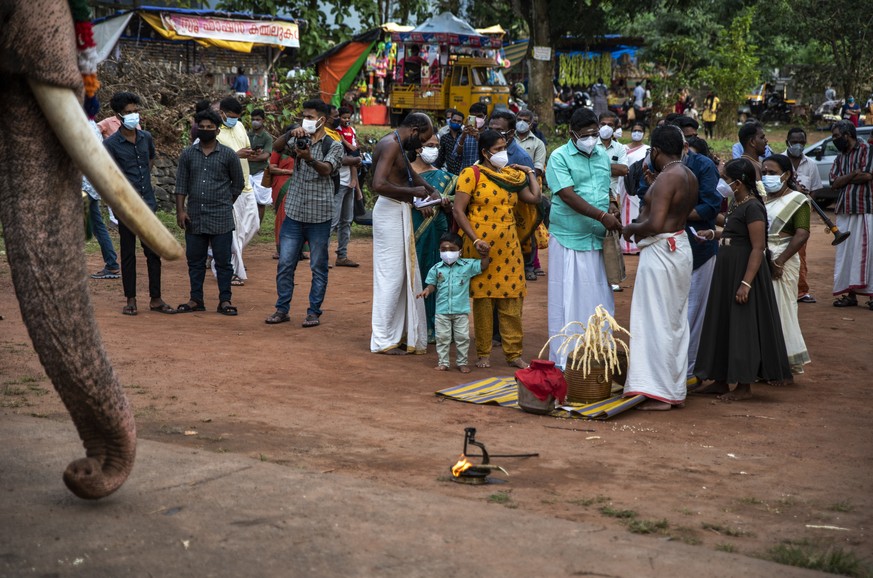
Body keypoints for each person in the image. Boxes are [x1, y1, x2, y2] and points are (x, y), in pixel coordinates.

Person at [692, 158, 793, 400]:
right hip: (727, 270)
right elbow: (733, 234)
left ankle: (744, 386)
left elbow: (757, 247)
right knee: (723, 322)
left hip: (742, 272)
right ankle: (720, 380)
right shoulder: (737, 204)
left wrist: (746, 283)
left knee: (742, 327)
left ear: (737, 183)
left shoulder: (753, 207)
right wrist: (713, 234)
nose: (721, 183)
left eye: (725, 178)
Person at [622, 125, 697, 410]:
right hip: (677, 246)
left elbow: (654, 223)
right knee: (672, 320)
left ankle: (658, 390)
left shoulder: (669, 178)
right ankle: (671, 388)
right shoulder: (686, 174)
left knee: (655, 321)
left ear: (655, 151)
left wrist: (630, 227)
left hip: (663, 250)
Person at [453, 129, 542, 369]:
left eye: (505, 148)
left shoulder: (511, 176)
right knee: (483, 301)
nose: (503, 153)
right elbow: (458, 210)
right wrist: (474, 240)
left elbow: (534, 197)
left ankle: (514, 354)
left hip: (510, 247)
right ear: (484, 152)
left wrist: (530, 173)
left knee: (513, 299)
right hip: (481, 248)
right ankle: (483, 353)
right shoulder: (471, 174)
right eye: (498, 149)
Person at [543, 109, 618, 367]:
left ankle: (598, 356)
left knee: (599, 298)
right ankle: (566, 359)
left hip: (597, 239)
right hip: (569, 237)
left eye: (595, 134)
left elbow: (605, 187)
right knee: (568, 300)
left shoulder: (601, 156)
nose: (591, 139)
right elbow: (566, 194)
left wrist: (612, 206)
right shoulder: (558, 157)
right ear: (571, 134)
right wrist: (601, 215)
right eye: (585, 135)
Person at [264, 100, 344, 328]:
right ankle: (282, 309)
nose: (306, 120)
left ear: (322, 120)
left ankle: (313, 312)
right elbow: (277, 148)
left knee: (318, 266)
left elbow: (328, 169)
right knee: (285, 264)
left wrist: (309, 158)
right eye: (304, 116)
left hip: (320, 215)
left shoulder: (334, 145)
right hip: (295, 212)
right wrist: (291, 131)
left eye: (310, 116)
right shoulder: (298, 138)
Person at [369, 113, 440, 354]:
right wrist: (415, 193)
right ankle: (382, 338)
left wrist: (432, 191)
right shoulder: (390, 144)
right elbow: (377, 184)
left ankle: (395, 334)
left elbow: (409, 174)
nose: (421, 145)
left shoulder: (397, 144)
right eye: (423, 138)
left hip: (397, 208)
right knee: (390, 276)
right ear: (415, 129)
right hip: (388, 209)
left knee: (401, 275)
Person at [103, 91, 174, 316]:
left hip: (148, 204)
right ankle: (131, 299)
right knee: (128, 253)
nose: (134, 116)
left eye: (136, 111)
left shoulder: (146, 138)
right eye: (129, 113)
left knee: (153, 252)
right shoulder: (112, 144)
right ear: (118, 116)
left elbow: (150, 159)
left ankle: (156, 298)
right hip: (126, 207)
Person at [175, 109, 245, 316]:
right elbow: (181, 185)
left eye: (209, 127)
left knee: (223, 261)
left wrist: (225, 203)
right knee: (195, 261)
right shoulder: (188, 154)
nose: (205, 130)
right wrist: (180, 211)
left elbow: (238, 184)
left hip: (221, 217)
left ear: (217, 129)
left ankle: (225, 300)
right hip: (194, 217)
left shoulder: (228, 155)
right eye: (202, 127)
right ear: (196, 128)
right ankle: (196, 299)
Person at [761, 155, 811, 375]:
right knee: (765, 311)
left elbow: (802, 234)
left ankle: (783, 365)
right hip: (762, 256)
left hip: (783, 259)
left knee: (783, 310)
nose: (767, 177)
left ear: (786, 175)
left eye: (772, 173)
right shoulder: (761, 198)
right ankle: (766, 361)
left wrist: (779, 261)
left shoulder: (798, 200)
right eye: (764, 172)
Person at [417, 231, 491, 373]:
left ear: (460, 251)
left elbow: (483, 266)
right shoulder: (436, 269)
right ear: (439, 251)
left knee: (462, 337)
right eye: (444, 250)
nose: (448, 252)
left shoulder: (467, 266)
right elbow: (432, 284)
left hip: (461, 310)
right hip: (442, 311)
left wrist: (485, 256)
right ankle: (443, 362)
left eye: (452, 249)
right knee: (443, 338)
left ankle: (462, 362)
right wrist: (427, 290)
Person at [410, 133, 455, 343]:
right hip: (413, 228)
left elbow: (453, 207)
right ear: (418, 148)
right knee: (416, 271)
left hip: (438, 230)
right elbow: (396, 196)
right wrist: (414, 204)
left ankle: (439, 328)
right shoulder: (406, 172)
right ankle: (416, 325)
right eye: (430, 145)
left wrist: (447, 206)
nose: (434, 149)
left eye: (436, 145)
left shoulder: (445, 177)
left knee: (438, 274)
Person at [829, 121, 873, 309]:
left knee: (867, 253)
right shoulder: (839, 157)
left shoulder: (867, 150)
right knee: (846, 254)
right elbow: (833, 182)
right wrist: (853, 174)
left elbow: (868, 175)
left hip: (865, 208)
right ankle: (850, 295)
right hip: (845, 210)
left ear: (848, 134)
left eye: (837, 136)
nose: (835, 140)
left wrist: (845, 179)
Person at [216, 97, 258, 286]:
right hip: (227, 186)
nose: (233, 119)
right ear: (222, 113)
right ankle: (230, 270)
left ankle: (222, 258)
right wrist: (235, 155)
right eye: (231, 116)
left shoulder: (239, 126)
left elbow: (246, 147)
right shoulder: (214, 130)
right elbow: (213, 157)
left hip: (245, 184)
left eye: (237, 117)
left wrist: (250, 153)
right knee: (233, 232)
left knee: (253, 225)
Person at [784, 127, 822, 304]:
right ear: (787, 142)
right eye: (794, 141)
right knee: (781, 249)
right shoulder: (779, 161)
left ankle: (801, 290)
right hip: (782, 214)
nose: (798, 145)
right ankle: (783, 288)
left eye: (801, 142)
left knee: (800, 253)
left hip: (801, 214)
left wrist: (806, 207)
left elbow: (814, 191)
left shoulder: (811, 165)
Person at [84, 111, 120, 280]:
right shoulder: (92, 124)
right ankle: (112, 264)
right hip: (92, 183)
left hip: (82, 183)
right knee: (97, 225)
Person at [332, 106, 364, 268]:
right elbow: (349, 152)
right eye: (338, 116)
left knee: (346, 220)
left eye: (343, 116)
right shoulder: (334, 134)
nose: (341, 119)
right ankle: (322, 254)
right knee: (333, 220)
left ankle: (342, 255)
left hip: (349, 183)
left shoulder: (350, 130)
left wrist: (356, 186)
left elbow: (354, 148)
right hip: (338, 182)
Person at [616, 122, 649, 254]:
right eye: (634, 130)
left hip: (640, 184)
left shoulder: (647, 149)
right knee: (625, 212)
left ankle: (637, 244)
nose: (636, 133)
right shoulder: (623, 148)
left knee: (638, 211)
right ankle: (626, 245)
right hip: (624, 184)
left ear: (644, 133)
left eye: (639, 130)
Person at [268, 125, 295, 260]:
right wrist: (289, 172)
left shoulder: (303, 148)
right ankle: (281, 249)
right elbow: (271, 168)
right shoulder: (279, 149)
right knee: (282, 216)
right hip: (282, 185)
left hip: (298, 185)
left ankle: (297, 249)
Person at [440, 103, 487, 176]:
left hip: (483, 175)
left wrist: (479, 138)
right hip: (465, 175)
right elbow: (455, 155)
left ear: (485, 117)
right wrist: (463, 137)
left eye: (479, 116)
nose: (476, 119)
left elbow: (489, 154)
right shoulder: (464, 134)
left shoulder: (490, 135)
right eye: (473, 116)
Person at [247, 109, 274, 225]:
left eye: (257, 119)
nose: (255, 122)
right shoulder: (247, 135)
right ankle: (247, 226)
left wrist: (248, 157)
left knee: (260, 202)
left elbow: (265, 156)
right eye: (253, 119)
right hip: (247, 171)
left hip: (260, 172)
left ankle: (257, 226)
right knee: (246, 201)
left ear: (263, 120)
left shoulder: (267, 137)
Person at [515, 109, 547, 178]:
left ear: (531, 125)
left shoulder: (538, 144)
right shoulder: (507, 138)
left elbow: (538, 169)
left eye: (525, 121)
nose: (521, 122)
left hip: (527, 181)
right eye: (519, 120)